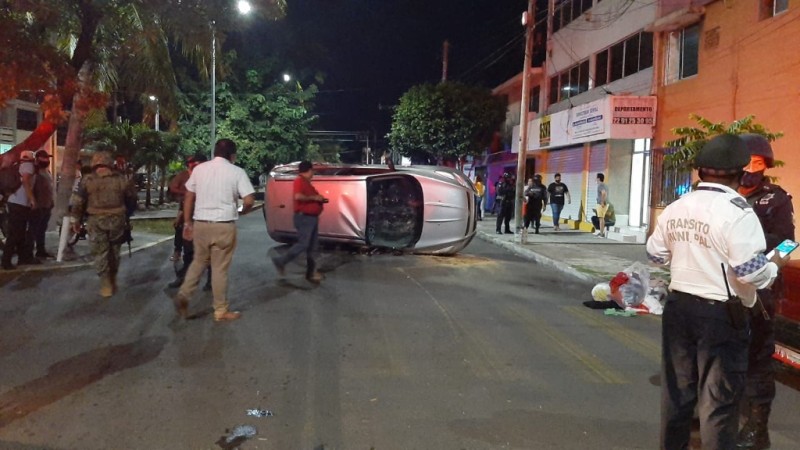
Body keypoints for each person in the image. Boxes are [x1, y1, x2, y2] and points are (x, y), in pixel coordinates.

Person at [646, 134, 790, 450]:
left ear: (700, 171)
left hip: (678, 310)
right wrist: (773, 269)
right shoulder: (738, 212)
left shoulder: (677, 206)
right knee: (719, 405)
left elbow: (655, 255)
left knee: (677, 397)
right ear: (740, 174)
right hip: (721, 317)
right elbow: (749, 271)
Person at [735, 134, 795, 450]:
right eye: (747, 160)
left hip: (761, 290)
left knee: (757, 359)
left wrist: (766, 265)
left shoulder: (776, 198)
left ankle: (758, 429)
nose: (751, 167)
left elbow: (788, 242)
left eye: (758, 162)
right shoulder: (724, 194)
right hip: (724, 290)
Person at [174, 139, 255, 322]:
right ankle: (220, 311)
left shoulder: (200, 170)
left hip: (201, 224)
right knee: (219, 268)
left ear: (215, 152)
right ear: (232, 156)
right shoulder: (237, 172)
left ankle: (184, 295)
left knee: (198, 262)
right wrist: (242, 211)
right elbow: (249, 200)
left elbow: (189, 196)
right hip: (224, 225)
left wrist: (187, 222)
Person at [70, 151, 138, 297]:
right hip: (117, 220)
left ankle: (105, 283)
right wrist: (127, 216)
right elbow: (132, 199)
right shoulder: (121, 179)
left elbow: (78, 203)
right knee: (114, 251)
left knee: (101, 252)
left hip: (96, 220)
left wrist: (76, 220)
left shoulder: (87, 180)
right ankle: (113, 278)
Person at [271, 160, 327, 283]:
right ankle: (281, 261)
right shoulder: (299, 181)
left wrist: (320, 200)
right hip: (304, 218)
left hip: (311, 218)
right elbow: (298, 196)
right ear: (308, 170)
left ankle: (311, 273)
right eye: (312, 171)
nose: (313, 174)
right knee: (304, 244)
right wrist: (315, 198)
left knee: (312, 247)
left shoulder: (307, 183)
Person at [167, 154, 212, 290]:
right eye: (191, 164)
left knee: (208, 252)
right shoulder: (184, 176)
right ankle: (183, 278)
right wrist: (187, 192)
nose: (193, 167)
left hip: (206, 218)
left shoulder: (209, 177)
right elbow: (173, 187)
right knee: (188, 251)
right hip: (189, 218)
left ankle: (211, 280)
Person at [2, 151, 39, 270]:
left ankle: (21, 258)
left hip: (16, 202)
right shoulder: (28, 166)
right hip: (19, 203)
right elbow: (26, 181)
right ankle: (6, 261)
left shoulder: (19, 166)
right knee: (15, 233)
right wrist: (32, 199)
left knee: (19, 232)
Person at [30, 150, 55, 258]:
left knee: (42, 230)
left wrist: (51, 202)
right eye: (44, 158)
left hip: (47, 205)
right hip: (38, 206)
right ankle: (29, 253)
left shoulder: (47, 172)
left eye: (47, 158)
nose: (46, 160)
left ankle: (41, 250)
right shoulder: (34, 172)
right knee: (34, 230)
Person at [595, 173, 609, 237]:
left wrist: (602, 202)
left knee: (601, 218)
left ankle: (601, 233)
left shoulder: (600, 185)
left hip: (601, 204)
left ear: (598, 178)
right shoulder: (605, 185)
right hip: (603, 203)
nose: (595, 179)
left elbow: (603, 193)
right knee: (601, 218)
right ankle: (601, 232)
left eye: (596, 177)